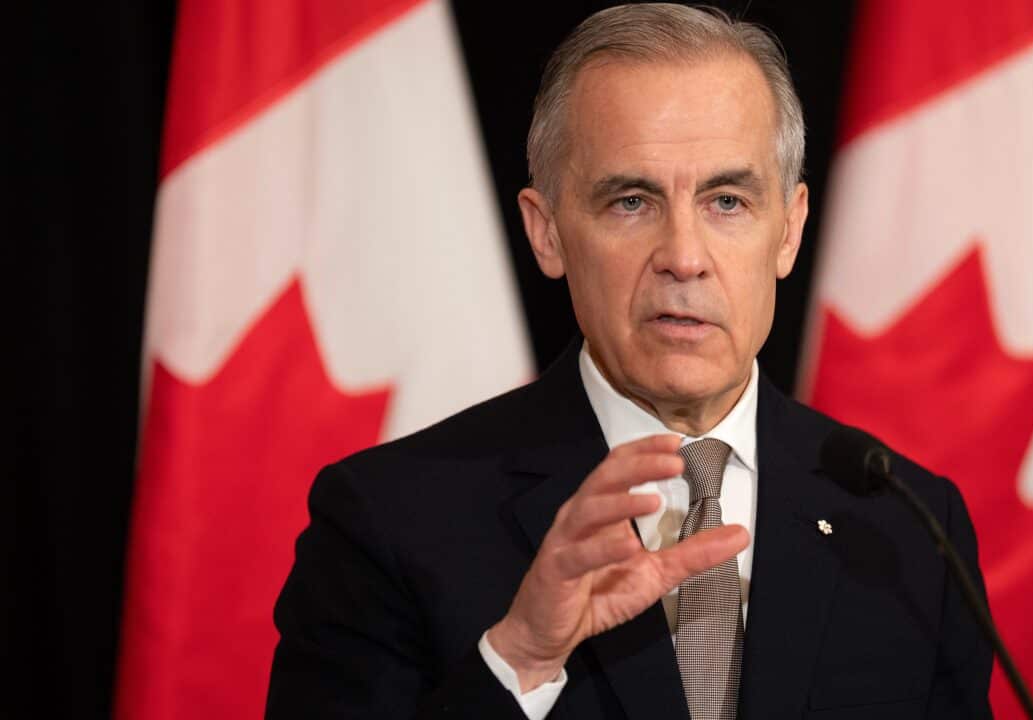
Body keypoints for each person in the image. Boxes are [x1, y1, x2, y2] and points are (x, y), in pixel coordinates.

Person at [266, 5, 993, 719]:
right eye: (631, 201)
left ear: (789, 231)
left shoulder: (908, 529)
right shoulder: (390, 521)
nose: (683, 257)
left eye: (728, 201)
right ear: (547, 234)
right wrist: (520, 659)